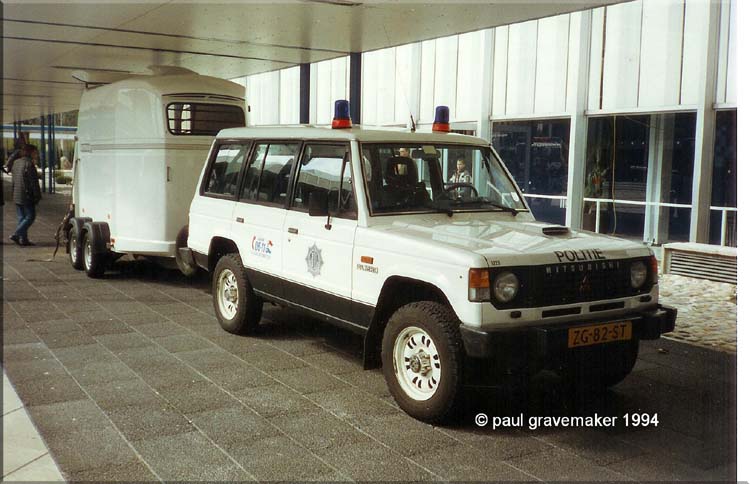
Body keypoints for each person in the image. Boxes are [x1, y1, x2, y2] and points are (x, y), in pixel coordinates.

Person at [10, 144, 42, 246]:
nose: (36, 155)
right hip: (27, 195)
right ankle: (17, 234)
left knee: (21, 217)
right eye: (35, 152)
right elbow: (34, 182)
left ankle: (23, 239)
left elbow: (13, 180)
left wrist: (13, 192)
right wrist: (37, 195)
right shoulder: (29, 164)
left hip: (17, 193)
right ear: (30, 152)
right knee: (30, 217)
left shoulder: (16, 163)